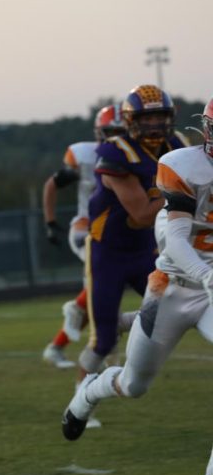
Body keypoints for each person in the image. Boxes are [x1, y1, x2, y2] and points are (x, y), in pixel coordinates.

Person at [61, 86, 186, 441]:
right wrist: (181, 188)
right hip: (108, 253)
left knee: (176, 303)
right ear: (131, 122)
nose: (154, 125)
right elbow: (143, 214)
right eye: (146, 118)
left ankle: (120, 321)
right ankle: (79, 400)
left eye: (160, 116)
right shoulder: (116, 153)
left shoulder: (176, 145)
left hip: (146, 249)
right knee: (101, 343)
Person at [40, 105, 127, 368]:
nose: (113, 139)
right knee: (104, 286)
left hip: (120, 231)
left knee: (102, 289)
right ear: (98, 132)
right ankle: (105, 354)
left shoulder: (134, 155)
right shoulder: (83, 155)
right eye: (109, 132)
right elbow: (51, 185)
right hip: (86, 228)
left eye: (119, 133)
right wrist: (50, 222)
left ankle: (58, 345)